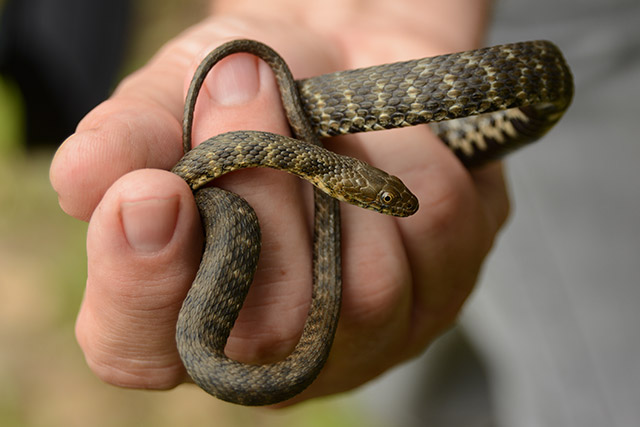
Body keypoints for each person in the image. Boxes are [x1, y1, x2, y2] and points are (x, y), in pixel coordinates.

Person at [49, 0, 507, 404]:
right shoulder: (290, 171)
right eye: (384, 199)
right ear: (347, 189)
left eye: (387, 196)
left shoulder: (321, 168)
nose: (395, 201)